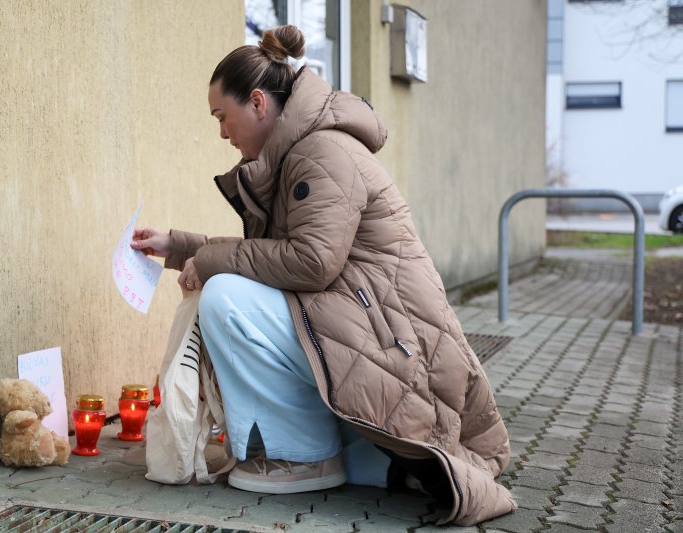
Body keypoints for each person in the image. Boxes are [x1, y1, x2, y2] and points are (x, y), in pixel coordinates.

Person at [132, 25, 516, 525]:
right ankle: (345, 450)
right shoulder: (300, 150)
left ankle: (300, 454)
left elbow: (312, 262)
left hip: (391, 346)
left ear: (257, 103)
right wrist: (180, 247)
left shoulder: (321, 151)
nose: (222, 133)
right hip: (377, 336)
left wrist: (208, 262)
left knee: (225, 297)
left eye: (221, 117)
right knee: (228, 287)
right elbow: (277, 253)